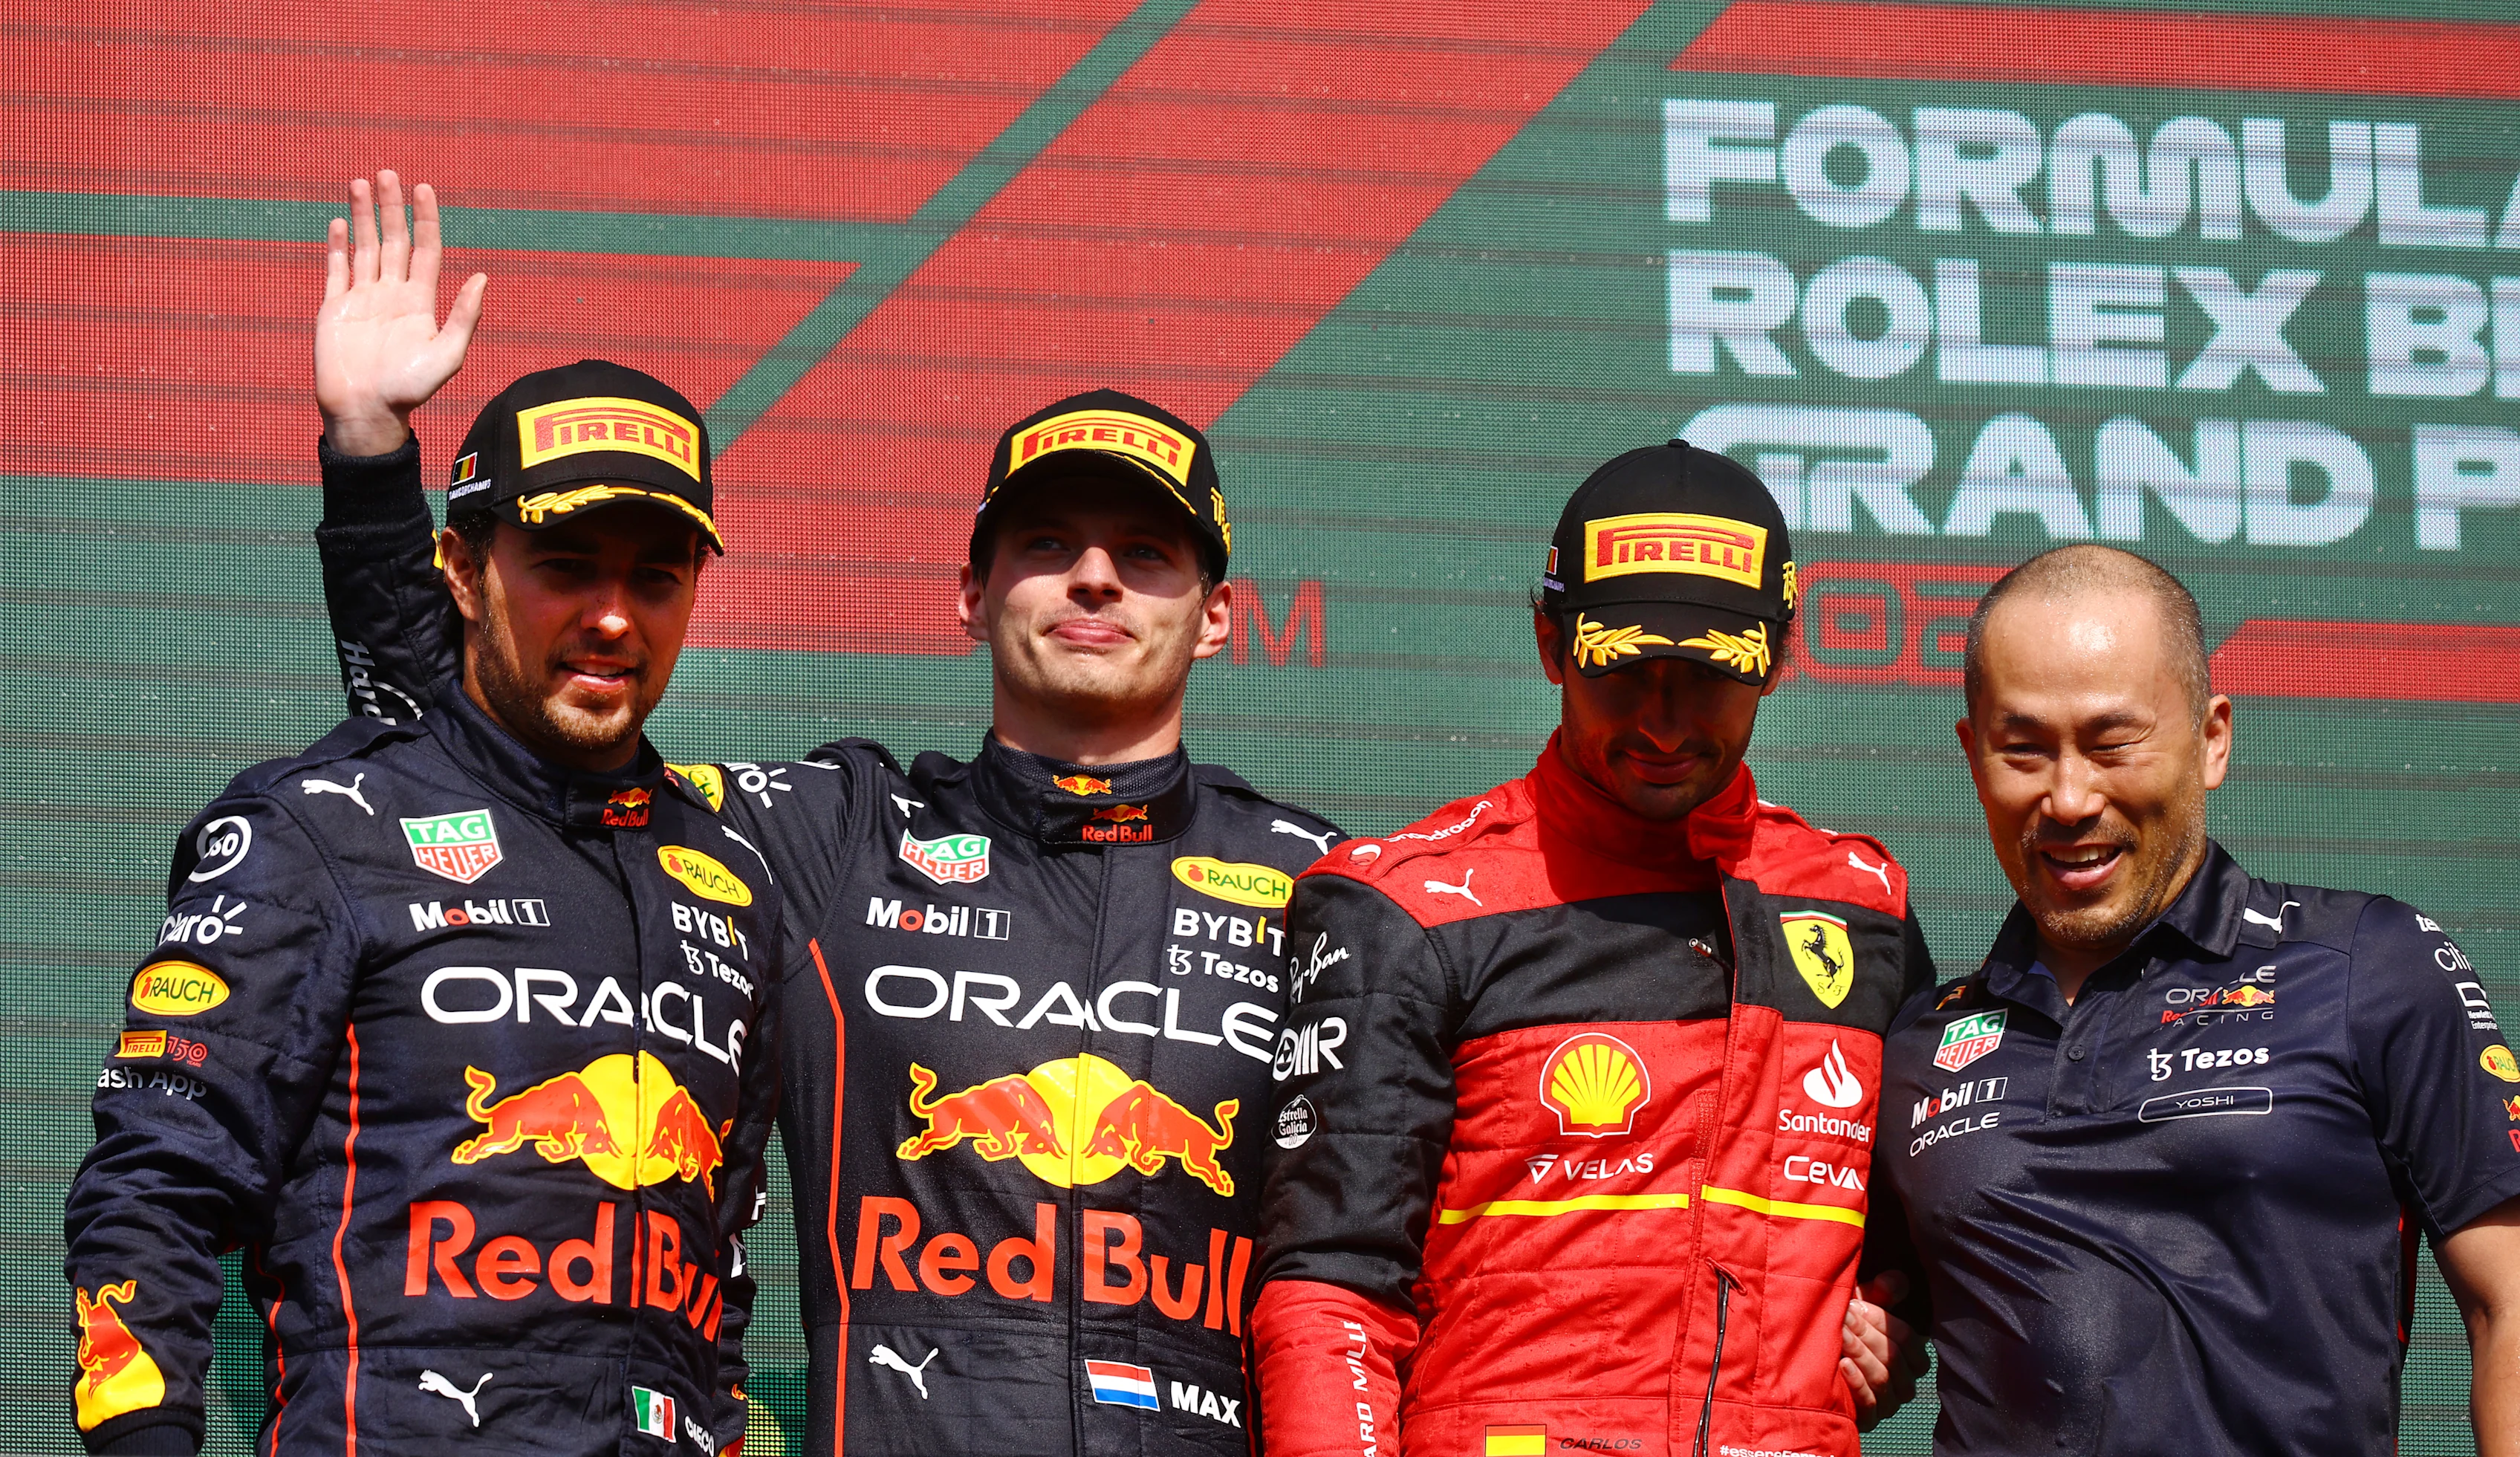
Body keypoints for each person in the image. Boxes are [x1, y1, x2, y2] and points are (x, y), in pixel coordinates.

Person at [305, 177, 1342, 1453]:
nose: (1092, 577)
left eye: (1145, 553)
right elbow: (489, 762)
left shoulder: (1325, 886)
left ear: (1219, 616)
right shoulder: (835, 837)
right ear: (969, 594)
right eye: (1044, 544)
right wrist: (370, 463)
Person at [63, 173, 779, 1456]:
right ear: (462, 567)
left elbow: (720, 1277)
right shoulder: (320, 827)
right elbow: (155, 1190)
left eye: (656, 577)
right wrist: (367, 453)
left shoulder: (727, 866)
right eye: (565, 567)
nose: (612, 615)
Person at [1251, 442, 1934, 1457]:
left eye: (1708, 674)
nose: (1662, 720)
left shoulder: (1860, 906)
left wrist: (1888, 1310)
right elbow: (1329, 1291)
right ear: (1550, 643)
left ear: (1776, 658)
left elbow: (1933, 1231)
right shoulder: (1406, 905)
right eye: (1623, 668)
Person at [1870, 543, 2520, 1455]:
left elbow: (2507, 1299)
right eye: (2022, 749)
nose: (2068, 796)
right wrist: (1857, 1340)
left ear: (2212, 738)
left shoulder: (2369, 964)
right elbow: (1860, 1327)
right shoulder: (1912, 1044)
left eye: (2111, 742)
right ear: (1971, 756)